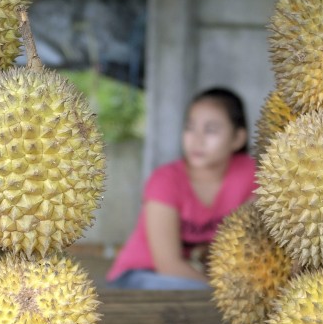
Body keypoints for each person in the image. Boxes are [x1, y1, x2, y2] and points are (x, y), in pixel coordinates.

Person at [106, 87, 257, 290]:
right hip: (138, 277)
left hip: (202, 282)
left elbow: (259, 242)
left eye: (211, 130)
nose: (197, 139)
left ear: (237, 138)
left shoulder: (251, 174)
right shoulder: (165, 181)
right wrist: (226, 294)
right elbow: (168, 265)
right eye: (189, 127)